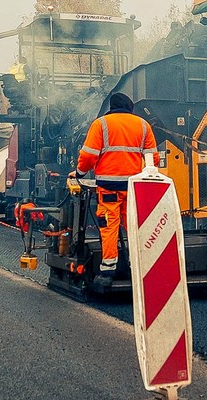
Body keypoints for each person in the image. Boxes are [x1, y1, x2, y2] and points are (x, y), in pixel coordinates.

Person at [68, 91, 157, 281]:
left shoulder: (100, 124)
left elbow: (89, 156)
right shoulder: (143, 125)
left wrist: (79, 174)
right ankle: (139, 267)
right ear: (130, 108)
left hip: (109, 188)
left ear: (111, 107)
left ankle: (108, 270)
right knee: (134, 226)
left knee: (109, 227)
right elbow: (152, 159)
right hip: (134, 187)